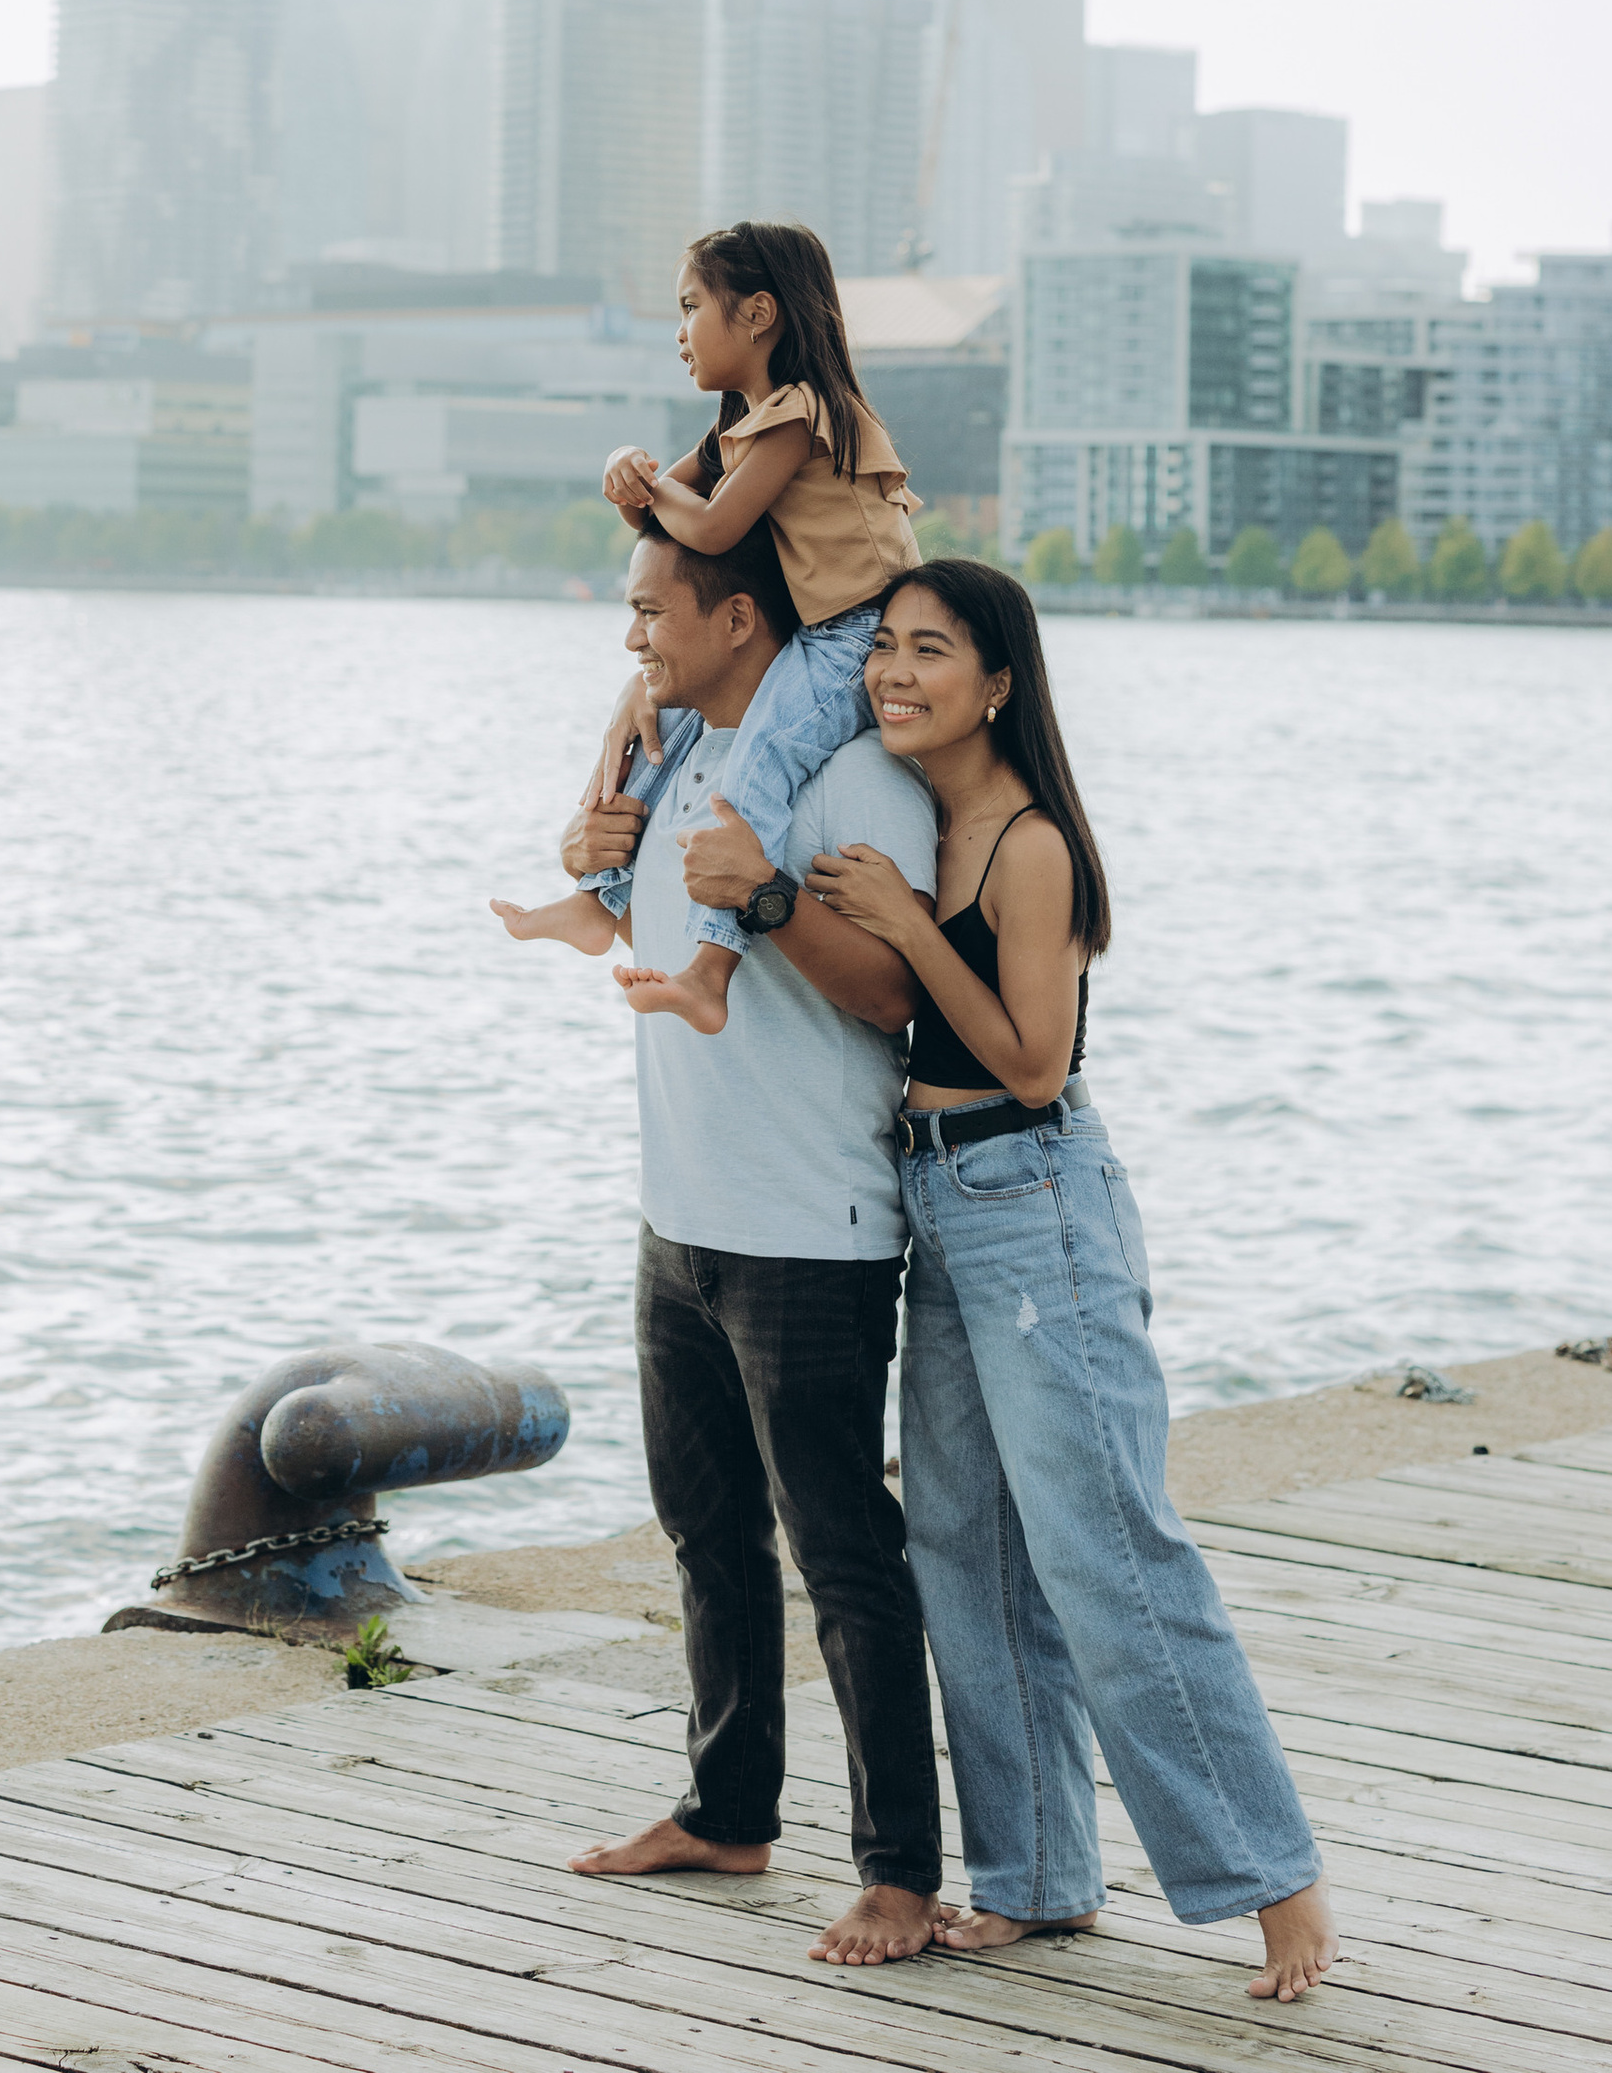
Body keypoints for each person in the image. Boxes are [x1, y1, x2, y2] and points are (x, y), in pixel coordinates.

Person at [813, 557, 1339, 2006]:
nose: (896, 674)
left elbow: (1034, 1062)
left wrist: (914, 927)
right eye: (885, 650)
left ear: (999, 682)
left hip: (1035, 1204)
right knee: (963, 1549)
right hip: (941, 1198)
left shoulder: (1028, 844)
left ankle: (1277, 1881)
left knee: (1106, 1549)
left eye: (932, 651)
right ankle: (1036, 1877)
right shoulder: (917, 809)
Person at [548, 516, 946, 1967]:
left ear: (738, 620)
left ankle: (900, 1869)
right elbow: (633, 946)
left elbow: (902, 997)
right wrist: (596, 856)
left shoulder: (847, 779)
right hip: (682, 1222)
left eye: (657, 608)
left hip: (809, 1232)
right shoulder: (687, 760)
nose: (636, 633)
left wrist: (765, 904)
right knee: (707, 1534)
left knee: (846, 1558)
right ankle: (728, 1810)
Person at [492, 221, 919, 1032]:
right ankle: (599, 900)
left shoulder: (803, 411)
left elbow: (714, 528)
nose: (679, 334)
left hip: (861, 634)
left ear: (758, 313)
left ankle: (711, 967)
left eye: (689, 308)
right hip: (818, 631)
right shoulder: (744, 425)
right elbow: (659, 526)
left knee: (757, 759)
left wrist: (650, 488)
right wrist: (628, 471)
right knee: (663, 720)